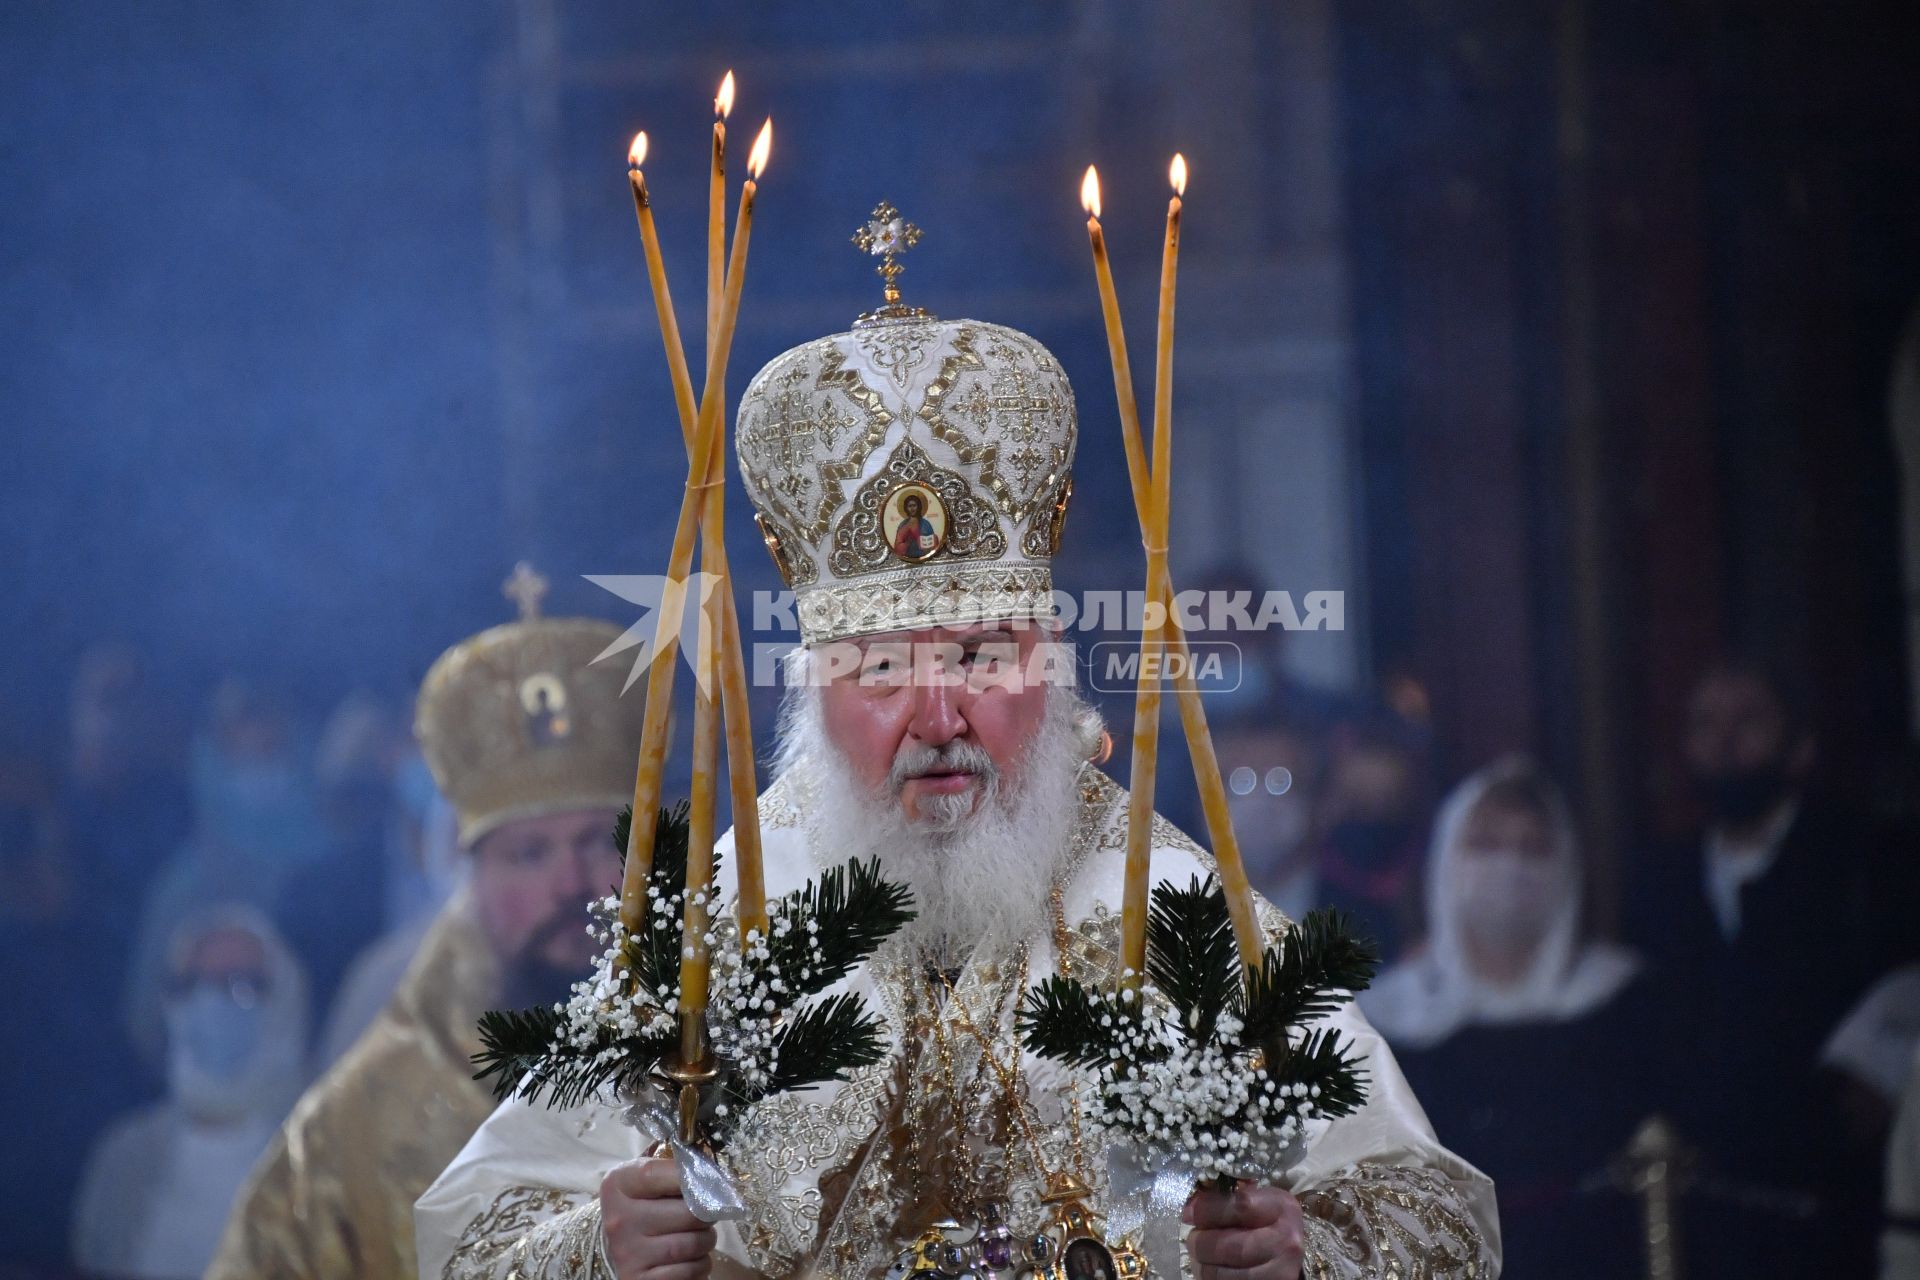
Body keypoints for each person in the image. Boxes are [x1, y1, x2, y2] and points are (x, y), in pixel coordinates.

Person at [416, 308, 1498, 1278]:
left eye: (983, 654)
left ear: (1053, 665)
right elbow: (477, 1232)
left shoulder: (1166, 901)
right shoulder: (727, 924)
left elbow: (1435, 1215)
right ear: (812, 691)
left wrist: (1300, 1249)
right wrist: (599, 1249)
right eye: (882, 666)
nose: (940, 716)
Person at [204, 567, 648, 1280]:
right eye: (528, 854)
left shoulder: (745, 1042)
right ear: (467, 873)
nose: (572, 885)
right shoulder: (353, 1129)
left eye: (601, 842)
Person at [1632, 656, 1918, 1273]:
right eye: (1706, 724)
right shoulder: (1659, 879)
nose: (1725, 741)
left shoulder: (1864, 861)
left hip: (1827, 1195)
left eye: (1748, 720)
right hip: (1703, 1200)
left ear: (1801, 746)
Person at [1361, 757, 1653, 1277]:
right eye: (1487, 845)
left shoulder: (1622, 1000)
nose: (1509, 867)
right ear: (1448, 857)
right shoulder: (1389, 1016)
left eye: (1533, 848)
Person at [72, 905, 309, 1278]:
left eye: (240, 985)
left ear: (284, 998)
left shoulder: (321, 1157)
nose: (212, 1004)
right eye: (193, 985)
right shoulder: (123, 1157)